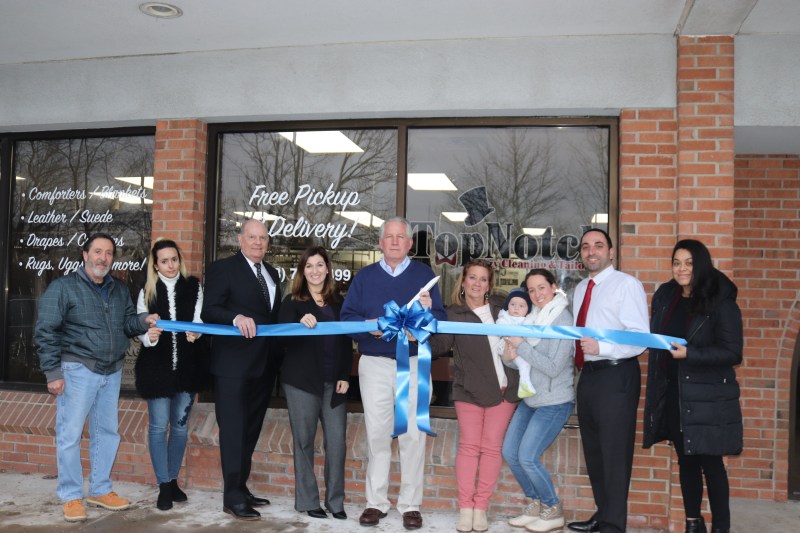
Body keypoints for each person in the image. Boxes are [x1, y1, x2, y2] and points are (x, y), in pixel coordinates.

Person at [35, 233, 158, 523]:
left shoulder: (119, 288)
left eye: (109, 253)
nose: (103, 258)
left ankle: (100, 489)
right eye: (98, 252)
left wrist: (143, 321)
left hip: (111, 371)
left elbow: (127, 324)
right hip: (77, 370)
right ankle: (71, 495)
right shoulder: (63, 287)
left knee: (107, 433)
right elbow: (46, 331)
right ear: (85, 254)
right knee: (70, 434)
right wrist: (53, 373)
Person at [340, 216, 446, 530]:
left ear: (410, 243)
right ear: (380, 243)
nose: (395, 241)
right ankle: (376, 502)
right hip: (375, 364)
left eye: (401, 237)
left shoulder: (424, 277)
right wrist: (369, 329)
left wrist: (423, 322)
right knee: (377, 433)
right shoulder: (365, 277)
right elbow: (347, 318)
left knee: (413, 434)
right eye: (390, 236)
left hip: (412, 363)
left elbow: (439, 319)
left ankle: (411, 505)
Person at [643, 240, 743, 533]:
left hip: (709, 398)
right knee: (686, 461)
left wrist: (691, 354)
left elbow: (733, 352)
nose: (681, 269)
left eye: (689, 263)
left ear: (701, 265)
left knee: (711, 465)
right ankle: (692, 524)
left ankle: (721, 528)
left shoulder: (720, 300)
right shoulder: (667, 296)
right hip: (676, 393)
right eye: (676, 263)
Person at [567, 228, 649, 533]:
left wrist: (602, 348)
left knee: (614, 453)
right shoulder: (580, 289)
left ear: (611, 252)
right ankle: (604, 515)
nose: (591, 251)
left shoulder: (626, 285)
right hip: (588, 376)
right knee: (595, 452)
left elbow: (639, 337)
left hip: (617, 374)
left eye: (598, 245)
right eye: (586, 246)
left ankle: (613, 525)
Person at [429, 259, 520, 533]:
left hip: (504, 390)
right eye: (472, 277)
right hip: (468, 390)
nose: (477, 283)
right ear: (463, 281)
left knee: (491, 448)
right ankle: (465, 508)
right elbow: (439, 345)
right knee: (469, 448)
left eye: (483, 279)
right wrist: (418, 327)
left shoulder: (502, 308)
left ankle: (481, 508)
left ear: (489, 284)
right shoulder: (452, 313)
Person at [201, 219, 282, 521]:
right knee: (234, 432)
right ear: (240, 239)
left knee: (250, 430)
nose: (258, 242)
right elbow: (209, 310)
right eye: (252, 237)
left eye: (263, 238)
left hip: (264, 366)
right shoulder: (223, 269)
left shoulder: (271, 272)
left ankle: (241, 487)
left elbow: (272, 317)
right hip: (233, 366)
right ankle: (232, 498)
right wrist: (236, 318)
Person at [278, 246, 352, 520]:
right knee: (304, 442)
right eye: (309, 266)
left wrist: (344, 375)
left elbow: (346, 341)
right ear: (302, 271)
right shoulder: (292, 301)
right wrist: (299, 322)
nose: (315, 270)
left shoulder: (339, 302)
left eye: (320, 264)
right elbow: (280, 337)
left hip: (334, 383)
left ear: (327, 269)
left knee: (337, 443)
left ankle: (335, 502)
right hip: (302, 382)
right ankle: (308, 501)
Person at [134, 238, 208, 511]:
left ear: (180, 260)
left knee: (179, 427)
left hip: (187, 367)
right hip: (156, 369)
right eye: (164, 261)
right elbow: (140, 326)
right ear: (156, 265)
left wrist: (196, 333)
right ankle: (163, 485)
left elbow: (199, 320)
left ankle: (173, 479)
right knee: (158, 426)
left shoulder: (194, 286)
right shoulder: (146, 289)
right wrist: (149, 336)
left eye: (174, 259)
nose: (170, 265)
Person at [501, 269, 575, 533]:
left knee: (527, 457)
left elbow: (554, 367)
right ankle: (535, 503)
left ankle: (552, 509)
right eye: (531, 290)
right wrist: (509, 356)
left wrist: (520, 346)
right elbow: (520, 362)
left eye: (541, 287)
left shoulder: (563, 319)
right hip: (531, 397)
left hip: (554, 401)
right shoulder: (531, 317)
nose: (536, 294)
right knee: (510, 452)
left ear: (554, 287)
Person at [494, 288, 536, 398]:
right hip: (507, 346)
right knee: (524, 365)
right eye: (513, 304)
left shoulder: (529, 320)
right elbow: (500, 329)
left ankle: (524, 386)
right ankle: (524, 386)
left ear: (528, 310)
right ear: (507, 305)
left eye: (521, 306)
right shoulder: (504, 317)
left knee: (526, 364)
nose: (516, 308)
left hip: (521, 348)